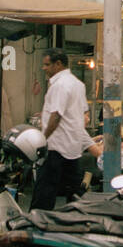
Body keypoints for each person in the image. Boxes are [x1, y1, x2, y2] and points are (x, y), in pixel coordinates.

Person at [31, 48, 89, 211]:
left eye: (47, 65)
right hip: (73, 147)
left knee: (44, 192)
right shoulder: (78, 84)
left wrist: (42, 139)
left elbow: (56, 116)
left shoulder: (60, 85)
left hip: (56, 147)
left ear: (58, 64)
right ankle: (73, 224)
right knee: (73, 194)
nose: (44, 68)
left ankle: (37, 224)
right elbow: (84, 112)